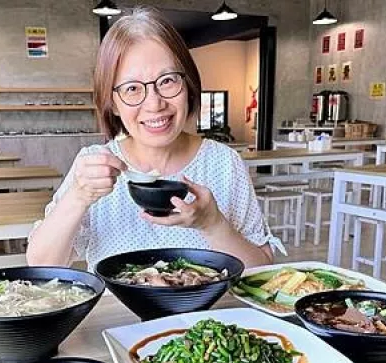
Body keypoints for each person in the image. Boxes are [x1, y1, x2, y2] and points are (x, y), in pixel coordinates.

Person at [26, 8, 279, 269]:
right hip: (118, 311)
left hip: (205, 311)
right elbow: (41, 264)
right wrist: (79, 196)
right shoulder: (95, 166)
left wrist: (213, 224)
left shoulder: (223, 163)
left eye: (167, 81)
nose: (155, 103)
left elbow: (262, 270)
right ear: (112, 102)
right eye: (132, 88)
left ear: (188, 84)